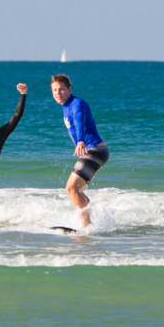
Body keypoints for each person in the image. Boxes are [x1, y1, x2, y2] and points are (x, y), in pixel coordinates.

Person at [51, 74, 108, 229]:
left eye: (61, 89)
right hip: (94, 151)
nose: (58, 93)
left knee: (71, 188)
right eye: (54, 90)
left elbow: (79, 121)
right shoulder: (66, 106)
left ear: (69, 89)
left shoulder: (77, 103)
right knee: (77, 191)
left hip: (95, 150)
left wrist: (80, 141)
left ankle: (86, 226)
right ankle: (93, 224)